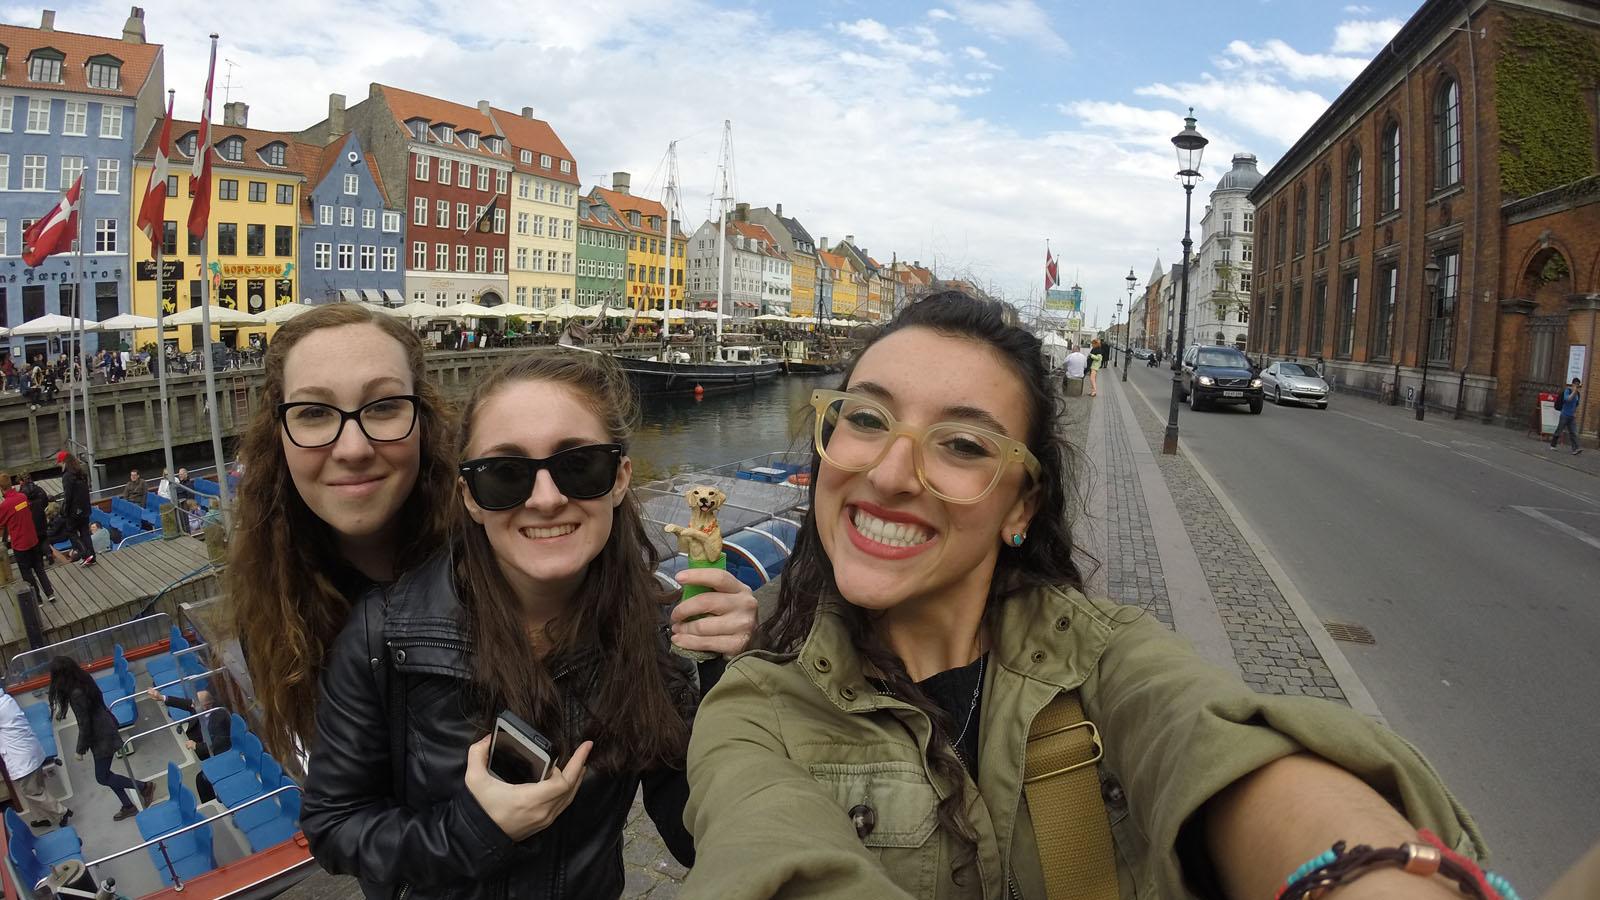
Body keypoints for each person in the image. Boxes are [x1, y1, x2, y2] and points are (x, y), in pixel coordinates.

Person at [681, 292, 1489, 900]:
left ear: (1021, 508)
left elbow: (1209, 742)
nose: (890, 474)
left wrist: (1372, 874)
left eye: (962, 444)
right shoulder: (754, 710)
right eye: (865, 418)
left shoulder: (1107, 660)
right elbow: (763, 847)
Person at [301, 351, 759, 900]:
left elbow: (697, 834)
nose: (546, 499)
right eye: (505, 474)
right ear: (470, 496)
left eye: (580, 465)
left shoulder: (654, 630)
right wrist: (472, 831)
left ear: (619, 478)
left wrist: (725, 674)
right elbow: (335, 827)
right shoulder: (387, 634)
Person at [227, 302, 457, 761]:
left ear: (423, 422)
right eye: (314, 413)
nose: (353, 448)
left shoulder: (491, 561)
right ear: (279, 434)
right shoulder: (271, 609)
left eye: (385, 406)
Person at [48, 657, 154, 821]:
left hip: (101, 735)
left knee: (102, 777)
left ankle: (143, 787)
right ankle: (128, 805)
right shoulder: (83, 679)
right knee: (106, 774)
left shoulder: (76, 694)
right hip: (105, 727)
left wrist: (79, 749)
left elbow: (85, 723)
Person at [0, 688, 69, 828]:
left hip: (22, 759)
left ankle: (62, 812)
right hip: (32, 751)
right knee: (35, 787)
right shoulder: (6, 700)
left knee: (32, 792)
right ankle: (41, 818)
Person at [146, 687, 229, 803]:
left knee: (201, 780)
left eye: (195, 704)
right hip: (204, 745)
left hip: (220, 753)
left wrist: (197, 746)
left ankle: (215, 801)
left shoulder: (219, 718)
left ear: (206, 706)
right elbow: (185, 703)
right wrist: (161, 697)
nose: (192, 705)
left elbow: (220, 743)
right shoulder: (199, 707)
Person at [0, 475, 57, 603]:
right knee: (39, 568)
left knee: (27, 573)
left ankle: (37, 599)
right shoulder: (22, 497)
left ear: (1, 488)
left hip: (20, 544)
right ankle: (50, 593)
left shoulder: (5, 505)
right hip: (33, 539)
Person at [56, 452, 94, 567]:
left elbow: (68, 496)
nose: (59, 465)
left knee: (71, 532)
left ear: (64, 462)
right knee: (85, 532)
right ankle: (92, 556)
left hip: (74, 510)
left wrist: (65, 511)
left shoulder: (67, 476)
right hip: (85, 508)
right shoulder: (82, 473)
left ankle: (85, 555)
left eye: (60, 463)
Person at [1549, 377, 1583, 456]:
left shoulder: (1578, 394)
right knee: (1559, 430)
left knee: (1573, 432)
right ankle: (1553, 445)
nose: (1577, 387)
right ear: (1573, 384)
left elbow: (1576, 404)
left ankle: (1576, 449)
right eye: (1576, 385)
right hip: (1564, 414)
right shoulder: (1568, 391)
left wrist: (1574, 412)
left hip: (1571, 416)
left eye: (1578, 385)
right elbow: (1567, 399)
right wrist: (1574, 391)